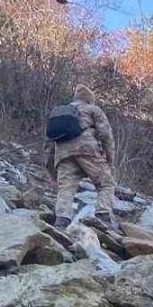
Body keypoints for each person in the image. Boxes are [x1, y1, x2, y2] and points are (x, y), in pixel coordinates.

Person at [47, 84, 116, 229]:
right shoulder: (93, 110)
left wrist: (52, 170)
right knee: (106, 183)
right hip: (87, 150)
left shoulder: (61, 113)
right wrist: (110, 160)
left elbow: (52, 143)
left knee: (66, 187)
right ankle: (103, 215)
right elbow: (106, 135)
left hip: (63, 154)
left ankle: (62, 219)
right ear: (90, 99)